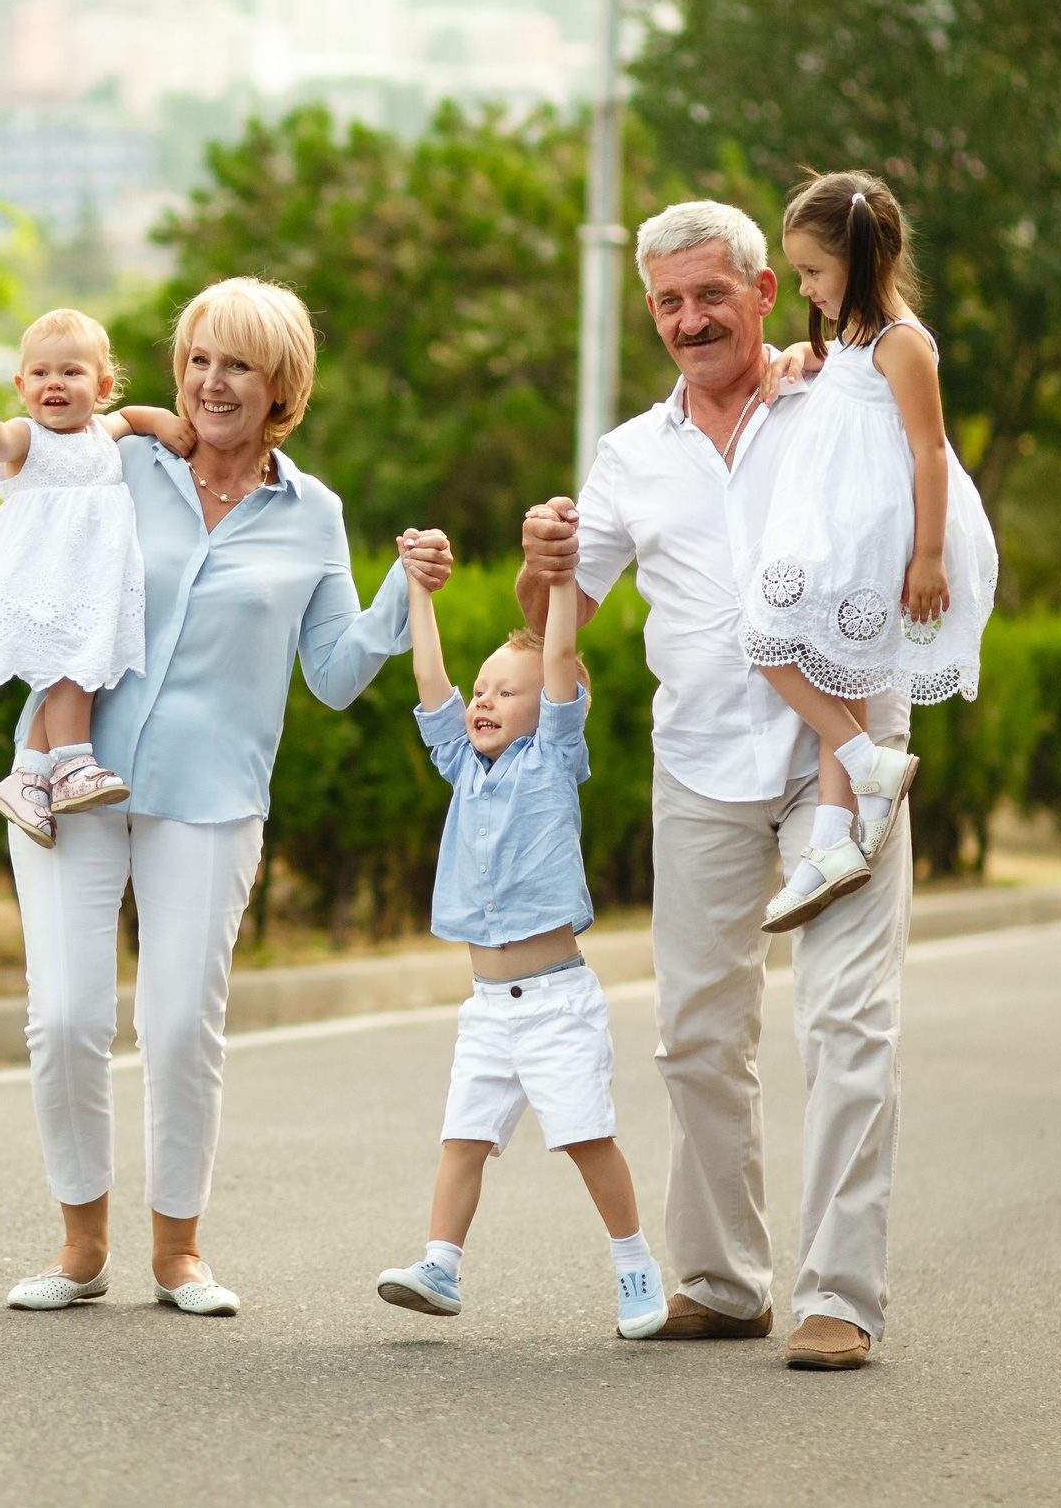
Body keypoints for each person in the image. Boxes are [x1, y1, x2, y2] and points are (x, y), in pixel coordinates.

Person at [0, 277, 453, 1318]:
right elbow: (34, 484)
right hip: (68, 772)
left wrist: (405, 589)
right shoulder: (124, 466)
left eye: (237, 364)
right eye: (198, 360)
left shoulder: (315, 513)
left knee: (177, 1028)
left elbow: (333, 673)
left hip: (209, 796)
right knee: (64, 1017)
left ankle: (178, 1252)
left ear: (280, 386)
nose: (211, 382)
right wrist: (95, 420)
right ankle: (80, 1245)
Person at [518, 199, 912, 1371]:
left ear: (763, 291)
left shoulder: (832, 401)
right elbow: (557, 620)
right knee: (695, 1034)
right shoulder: (629, 455)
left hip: (843, 756)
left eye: (710, 295)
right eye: (668, 302)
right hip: (698, 765)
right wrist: (539, 569)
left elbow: (913, 470)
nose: (689, 320)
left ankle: (837, 1296)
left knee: (844, 1021)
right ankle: (724, 1281)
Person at [372, 543, 668, 1340]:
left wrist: (564, 580)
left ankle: (635, 1261)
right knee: (462, 1138)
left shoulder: (554, 758)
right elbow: (429, 679)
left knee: (585, 1136)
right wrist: (417, 591)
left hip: (556, 1005)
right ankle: (440, 1264)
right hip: (487, 1009)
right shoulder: (462, 765)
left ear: (552, 706)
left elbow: (562, 655)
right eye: (482, 690)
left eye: (508, 691)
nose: (484, 700)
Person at [739, 173, 1000, 931]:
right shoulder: (855, 337)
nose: (804, 287)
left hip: (877, 529)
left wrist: (928, 556)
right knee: (839, 666)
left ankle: (867, 764)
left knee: (766, 634)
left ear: (860, 260)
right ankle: (830, 841)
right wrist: (804, 351)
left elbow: (929, 450)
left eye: (813, 271)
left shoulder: (903, 342)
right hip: (844, 522)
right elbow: (848, 383)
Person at [0, 309, 197, 844]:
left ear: (101, 387)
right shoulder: (28, 437)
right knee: (73, 674)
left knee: (75, 671)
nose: (54, 383)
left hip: (87, 585)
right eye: (40, 373)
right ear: (22, 387)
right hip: (43, 583)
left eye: (71, 372)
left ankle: (27, 779)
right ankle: (71, 763)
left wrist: (161, 421)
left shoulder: (102, 432)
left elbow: (130, 416)